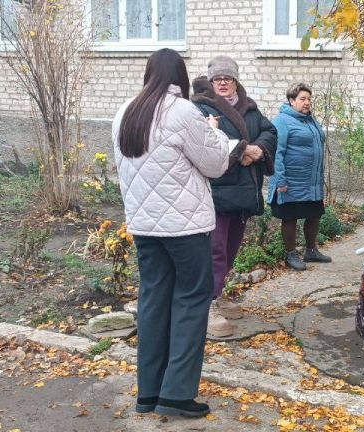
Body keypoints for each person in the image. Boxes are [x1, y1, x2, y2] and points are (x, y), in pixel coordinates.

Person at [112, 48, 229, 418]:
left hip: (144, 226)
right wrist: (215, 134)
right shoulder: (183, 111)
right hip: (185, 227)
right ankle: (177, 394)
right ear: (180, 75)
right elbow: (216, 164)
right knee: (192, 299)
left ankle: (148, 392)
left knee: (153, 300)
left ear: (149, 74)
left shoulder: (125, 112)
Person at [191, 55, 277, 338]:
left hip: (242, 192)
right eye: (217, 79)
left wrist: (258, 149)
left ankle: (218, 293)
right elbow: (204, 141)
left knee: (230, 250)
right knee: (214, 250)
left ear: (235, 81)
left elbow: (269, 131)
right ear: (210, 81)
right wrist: (242, 150)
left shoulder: (249, 107)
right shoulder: (200, 107)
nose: (223, 83)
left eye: (227, 78)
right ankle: (207, 305)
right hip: (216, 191)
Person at [267, 83, 331, 270]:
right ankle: (291, 254)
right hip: (291, 181)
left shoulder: (310, 120)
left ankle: (311, 251)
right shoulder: (282, 121)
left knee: (314, 214)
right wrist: (280, 179)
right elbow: (276, 153)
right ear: (291, 100)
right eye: (302, 99)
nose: (307, 102)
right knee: (290, 217)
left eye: (309, 99)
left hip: (311, 181)